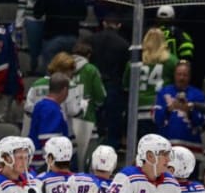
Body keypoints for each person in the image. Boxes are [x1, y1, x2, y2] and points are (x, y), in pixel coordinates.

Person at [123, 28, 178, 139]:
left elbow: (126, 85)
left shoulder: (134, 62)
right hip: (161, 107)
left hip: (139, 108)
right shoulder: (171, 61)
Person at [89, 12, 130, 150]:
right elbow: (125, 68)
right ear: (118, 26)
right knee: (113, 119)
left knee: (97, 116)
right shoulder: (124, 44)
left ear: (104, 24)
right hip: (114, 84)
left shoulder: (92, 40)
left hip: (95, 83)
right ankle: (111, 148)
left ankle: (96, 145)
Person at [154, 60, 205, 153]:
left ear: (190, 76)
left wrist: (189, 110)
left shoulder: (198, 95)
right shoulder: (164, 92)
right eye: (179, 74)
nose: (181, 78)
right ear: (174, 75)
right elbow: (157, 119)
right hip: (167, 146)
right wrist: (169, 109)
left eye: (185, 75)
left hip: (192, 147)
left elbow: (202, 121)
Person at [71, 41, 107, 172]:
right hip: (87, 119)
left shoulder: (64, 67)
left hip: (68, 119)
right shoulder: (91, 69)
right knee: (87, 161)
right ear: (89, 55)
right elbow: (100, 96)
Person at [27, 72, 71, 171]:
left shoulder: (41, 105)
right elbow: (48, 140)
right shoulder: (51, 109)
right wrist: (53, 165)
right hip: (44, 165)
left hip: (39, 162)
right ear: (64, 90)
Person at [33, 0, 87, 73]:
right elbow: (83, 16)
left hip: (52, 38)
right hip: (71, 37)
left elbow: (37, 14)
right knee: (72, 73)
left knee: (51, 75)